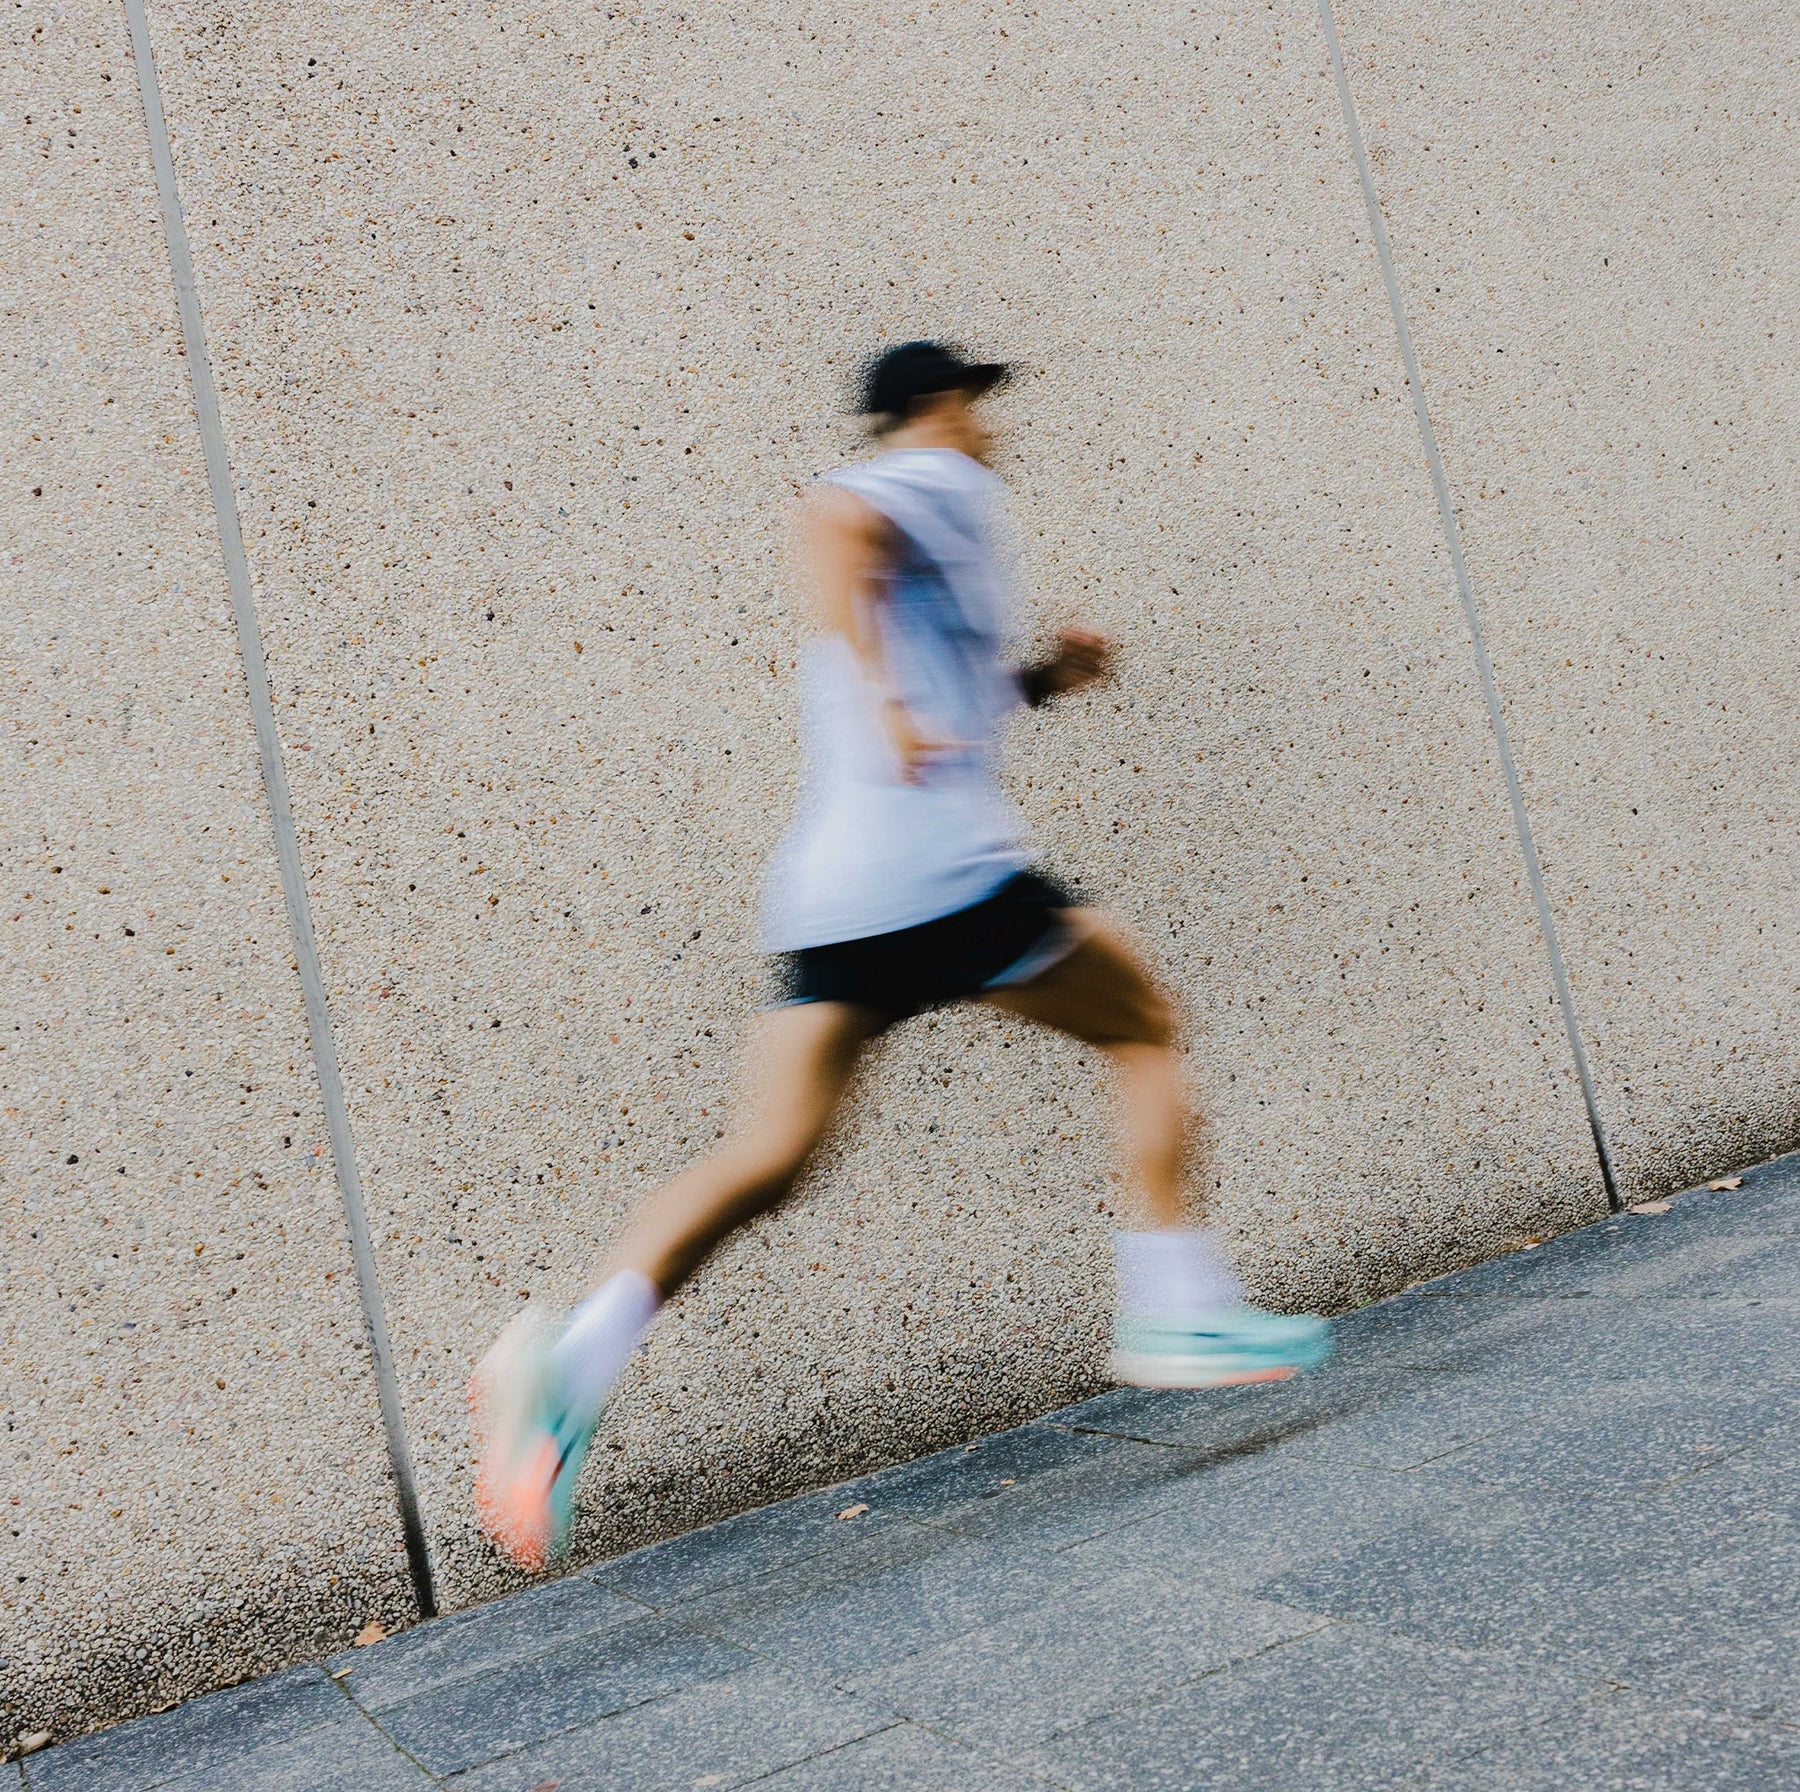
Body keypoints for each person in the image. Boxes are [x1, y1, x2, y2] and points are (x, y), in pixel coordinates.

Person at [472, 341, 1331, 1571]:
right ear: (938, 405)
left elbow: (951, 684)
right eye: (979, 403)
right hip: (947, 875)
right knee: (1145, 1027)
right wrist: (886, 695)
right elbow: (832, 521)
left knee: (769, 1157)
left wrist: (1042, 680)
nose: (992, 427)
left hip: (840, 894)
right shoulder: (936, 478)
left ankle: (569, 1363)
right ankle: (1179, 1307)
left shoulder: (941, 525)